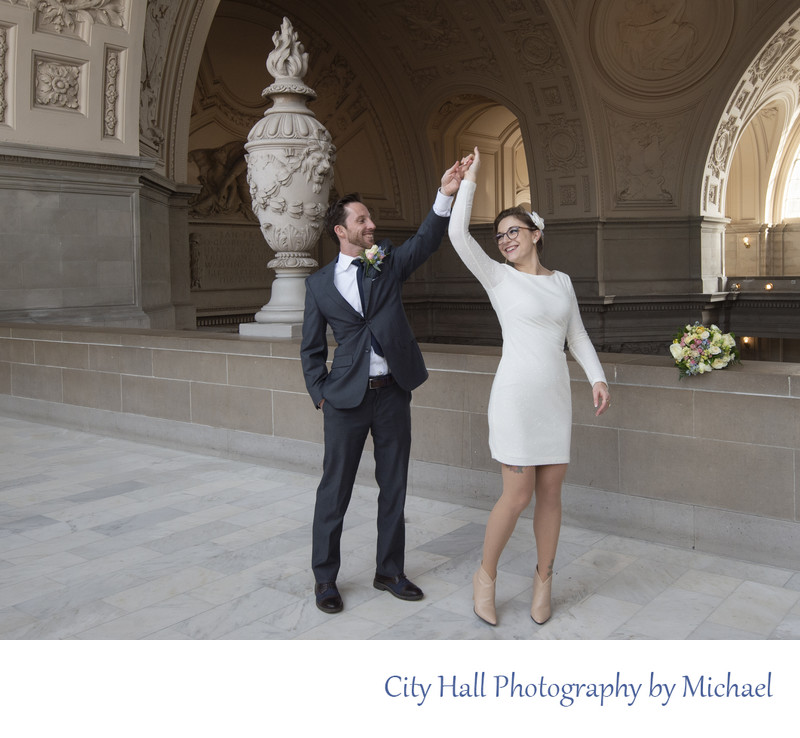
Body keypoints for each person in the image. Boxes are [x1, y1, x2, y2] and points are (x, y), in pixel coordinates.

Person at [448, 147, 610, 626]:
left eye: (513, 232)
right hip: (515, 400)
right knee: (516, 496)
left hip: (554, 400)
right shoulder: (498, 278)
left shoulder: (561, 282)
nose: (504, 241)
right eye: (499, 236)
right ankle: (485, 576)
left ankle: (544, 580)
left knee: (552, 495)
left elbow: (576, 335)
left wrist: (597, 377)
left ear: (536, 234)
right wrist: (471, 179)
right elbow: (457, 233)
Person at [301, 159, 471, 614]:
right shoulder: (318, 285)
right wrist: (320, 392)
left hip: (392, 392)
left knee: (393, 486)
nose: (371, 225)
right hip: (345, 400)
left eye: (370, 219)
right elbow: (310, 348)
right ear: (341, 231)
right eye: (362, 220)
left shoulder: (387, 262)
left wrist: (445, 194)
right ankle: (324, 580)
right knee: (333, 490)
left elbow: (426, 242)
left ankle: (390, 571)